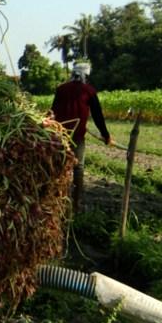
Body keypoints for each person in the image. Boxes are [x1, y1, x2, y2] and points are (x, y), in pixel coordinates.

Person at [50, 61, 112, 211]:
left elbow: (53, 111)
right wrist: (106, 135)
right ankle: (76, 203)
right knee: (78, 168)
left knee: (59, 166)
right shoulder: (88, 90)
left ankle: (56, 200)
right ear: (85, 76)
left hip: (58, 135)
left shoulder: (61, 89)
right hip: (76, 136)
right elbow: (97, 115)